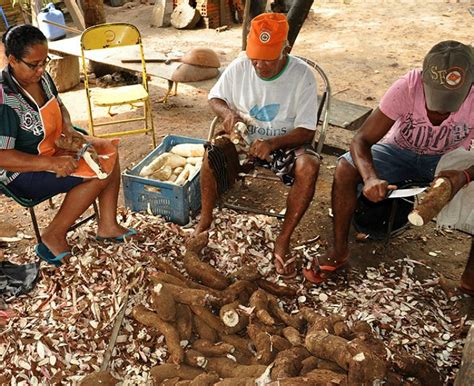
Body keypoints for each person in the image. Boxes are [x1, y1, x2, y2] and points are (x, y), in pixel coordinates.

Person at [303, 40, 473, 295]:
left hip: (447, 160)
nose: (440, 112)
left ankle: (470, 279)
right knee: (345, 169)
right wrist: (370, 178)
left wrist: (465, 176)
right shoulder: (408, 86)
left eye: (451, 102)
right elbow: (361, 139)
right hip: (399, 151)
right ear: (424, 81)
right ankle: (338, 250)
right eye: (435, 100)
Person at [193, 13, 320, 279]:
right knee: (213, 150)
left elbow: (307, 130)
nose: (260, 65)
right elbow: (215, 97)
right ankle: (205, 219)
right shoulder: (241, 66)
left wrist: (273, 143)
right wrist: (227, 114)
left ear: (285, 49)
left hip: (285, 141)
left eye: (268, 58)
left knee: (309, 166)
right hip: (244, 137)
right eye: (256, 57)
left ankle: (283, 240)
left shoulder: (302, 76)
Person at [0, 25, 136, 267]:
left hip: (51, 149)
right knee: (99, 171)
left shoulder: (42, 78)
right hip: (21, 172)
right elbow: (3, 157)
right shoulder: (5, 99)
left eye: (45, 61)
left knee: (106, 149)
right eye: (34, 65)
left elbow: (59, 107)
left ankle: (107, 225)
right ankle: (52, 235)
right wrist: (51, 163)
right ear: (12, 60)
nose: (41, 69)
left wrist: (68, 130)